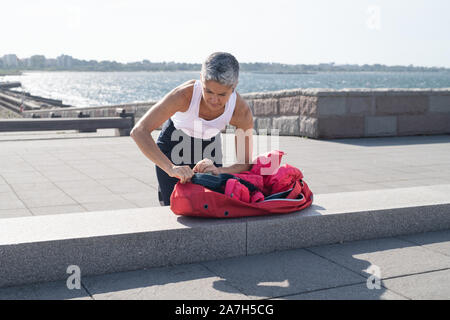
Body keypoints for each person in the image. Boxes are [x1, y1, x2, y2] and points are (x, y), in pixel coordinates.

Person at [131, 52, 254, 206]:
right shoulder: (184, 95)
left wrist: (220, 171)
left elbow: (245, 163)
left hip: (209, 148)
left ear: (234, 87)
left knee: (211, 206)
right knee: (176, 208)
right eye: (208, 91)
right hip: (174, 144)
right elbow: (139, 131)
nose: (214, 100)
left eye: (222, 94)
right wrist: (170, 168)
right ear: (201, 79)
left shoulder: (240, 111)